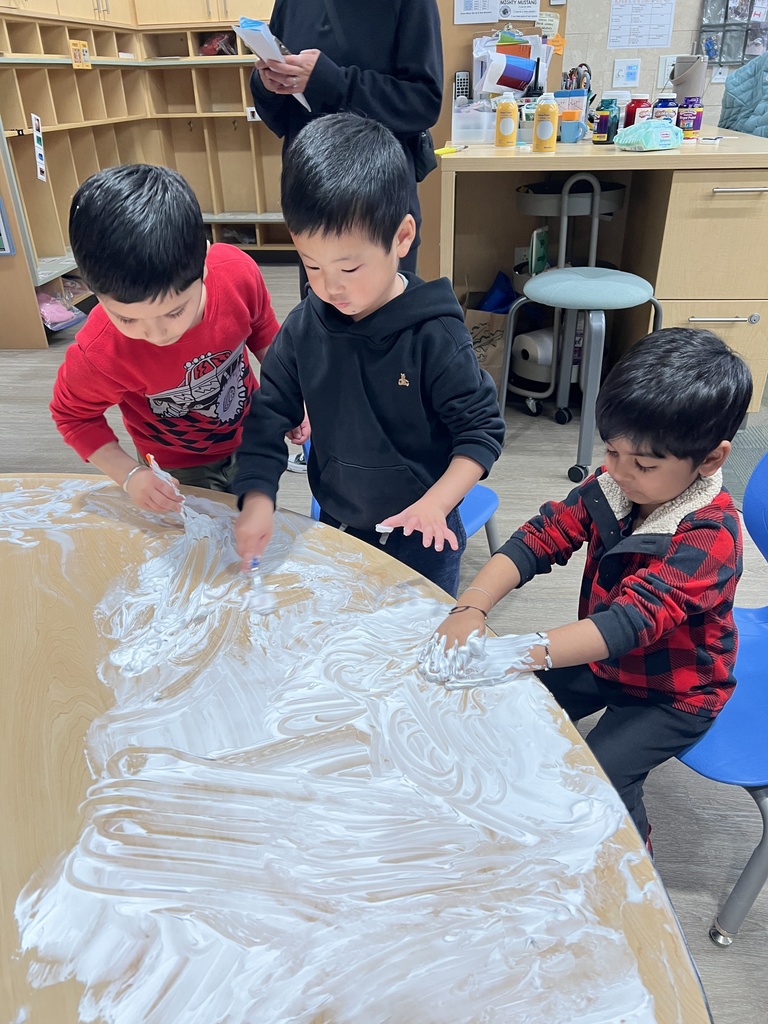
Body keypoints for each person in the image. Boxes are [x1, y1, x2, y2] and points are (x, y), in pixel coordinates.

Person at [423, 328, 753, 848]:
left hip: (674, 691)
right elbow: (540, 538)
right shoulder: (614, 482)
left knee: (599, 780)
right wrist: (472, 604)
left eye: (643, 465)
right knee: (506, 706)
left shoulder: (710, 537)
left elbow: (630, 623)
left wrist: (521, 649)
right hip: (605, 660)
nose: (618, 472)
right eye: (612, 451)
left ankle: (631, 852)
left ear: (710, 460)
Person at [232, 113, 504, 596]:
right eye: (310, 264)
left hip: (424, 531)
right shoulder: (304, 327)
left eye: (350, 266)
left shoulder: (434, 334)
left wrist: (437, 504)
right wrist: (258, 497)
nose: (329, 286)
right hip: (343, 520)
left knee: (418, 639)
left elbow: (480, 432)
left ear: (402, 237)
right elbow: (267, 417)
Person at [50, 164, 304, 515]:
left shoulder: (236, 273)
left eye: (174, 312)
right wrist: (130, 475)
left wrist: (286, 398)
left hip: (255, 437)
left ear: (203, 263)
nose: (158, 334)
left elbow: (263, 331)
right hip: (177, 472)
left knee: (255, 523)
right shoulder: (101, 352)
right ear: (93, 291)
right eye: (127, 318)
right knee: (203, 551)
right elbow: (72, 417)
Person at [248, 0, 443, 275]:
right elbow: (280, 118)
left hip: (378, 202)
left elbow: (424, 103)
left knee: (388, 314)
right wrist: (267, 84)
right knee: (318, 309)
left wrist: (333, 81)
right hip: (311, 196)